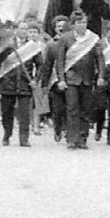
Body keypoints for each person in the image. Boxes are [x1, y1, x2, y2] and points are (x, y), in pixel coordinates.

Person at [54, 10, 105, 150]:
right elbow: (60, 61)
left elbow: (100, 58)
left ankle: (83, 138)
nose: (82, 25)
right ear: (73, 24)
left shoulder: (93, 38)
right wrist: (61, 79)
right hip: (71, 79)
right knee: (72, 108)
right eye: (79, 22)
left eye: (84, 22)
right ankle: (72, 138)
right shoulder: (65, 38)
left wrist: (100, 76)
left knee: (86, 109)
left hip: (87, 78)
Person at [0, 21, 39, 147]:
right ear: (16, 30)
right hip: (8, 82)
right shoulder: (7, 44)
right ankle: (7, 134)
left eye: (26, 29)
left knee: (24, 113)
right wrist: (6, 49)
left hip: (25, 83)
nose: (24, 31)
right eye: (21, 28)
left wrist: (35, 79)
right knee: (7, 112)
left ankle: (24, 138)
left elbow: (40, 64)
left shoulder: (32, 46)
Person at [40, 15, 71, 143]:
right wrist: (45, 84)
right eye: (58, 27)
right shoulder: (51, 44)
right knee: (58, 109)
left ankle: (69, 131)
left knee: (71, 108)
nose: (61, 29)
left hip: (71, 79)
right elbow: (47, 65)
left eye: (63, 26)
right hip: (56, 82)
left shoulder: (74, 43)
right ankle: (58, 129)